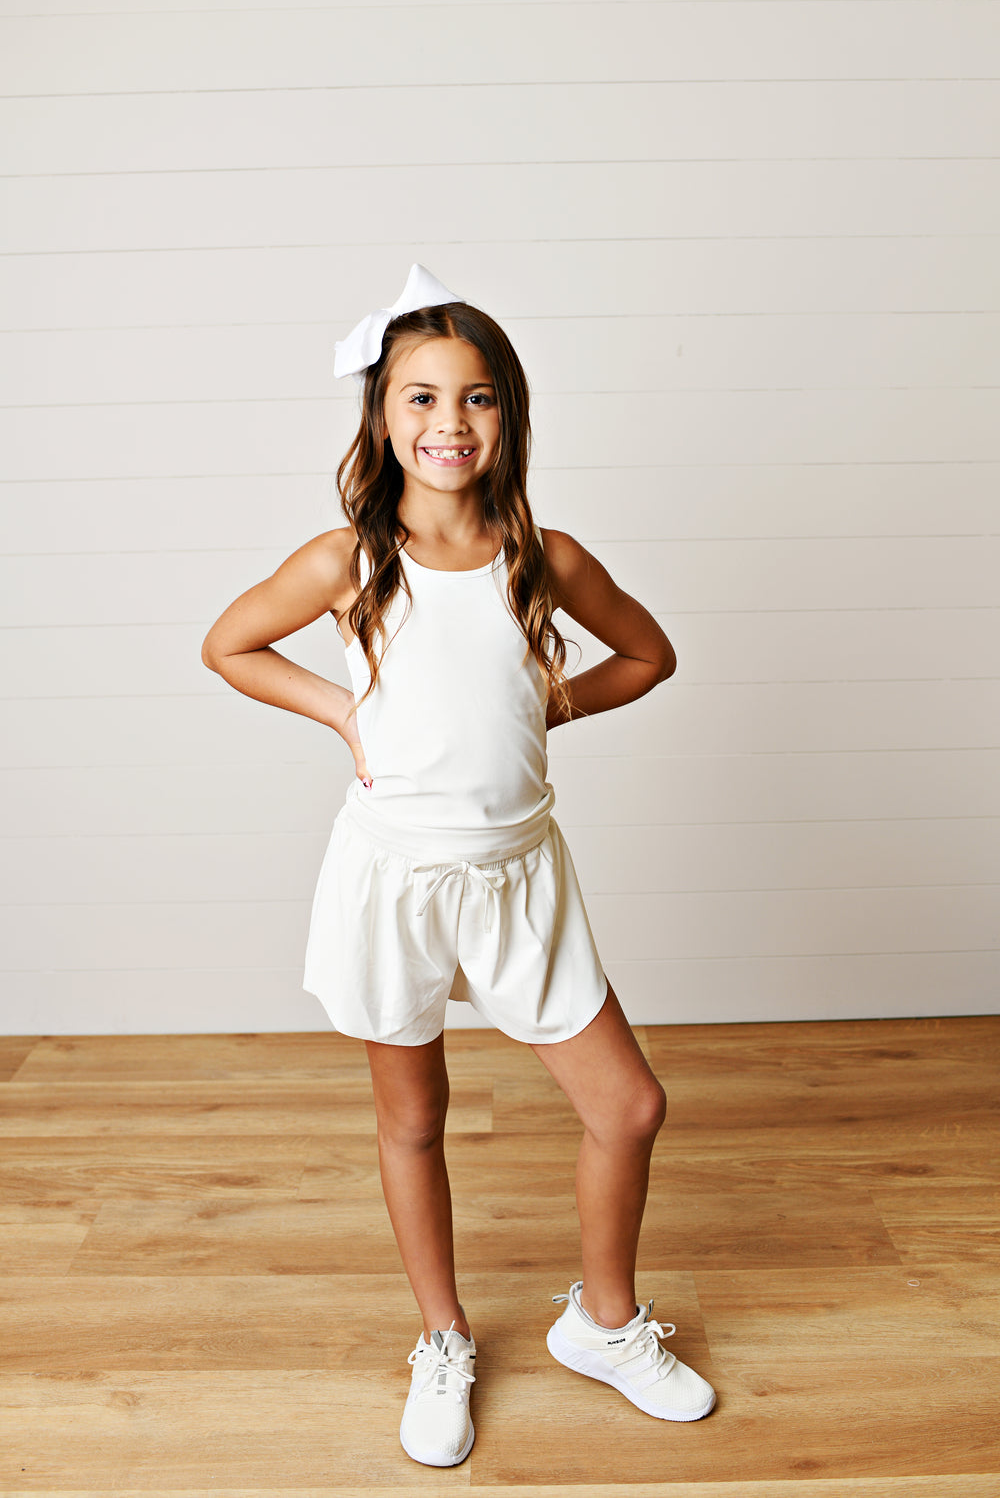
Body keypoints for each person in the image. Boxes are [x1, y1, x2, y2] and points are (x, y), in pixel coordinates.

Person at [202, 265, 716, 1467]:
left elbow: (648, 655)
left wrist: (551, 704)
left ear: (509, 416)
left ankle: (602, 1322)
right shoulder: (350, 561)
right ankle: (442, 1335)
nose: (449, 424)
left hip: (518, 876)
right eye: (421, 398)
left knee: (628, 1105)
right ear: (381, 416)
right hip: (396, 877)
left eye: (477, 398)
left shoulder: (543, 553)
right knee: (414, 1116)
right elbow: (229, 643)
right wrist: (342, 714)